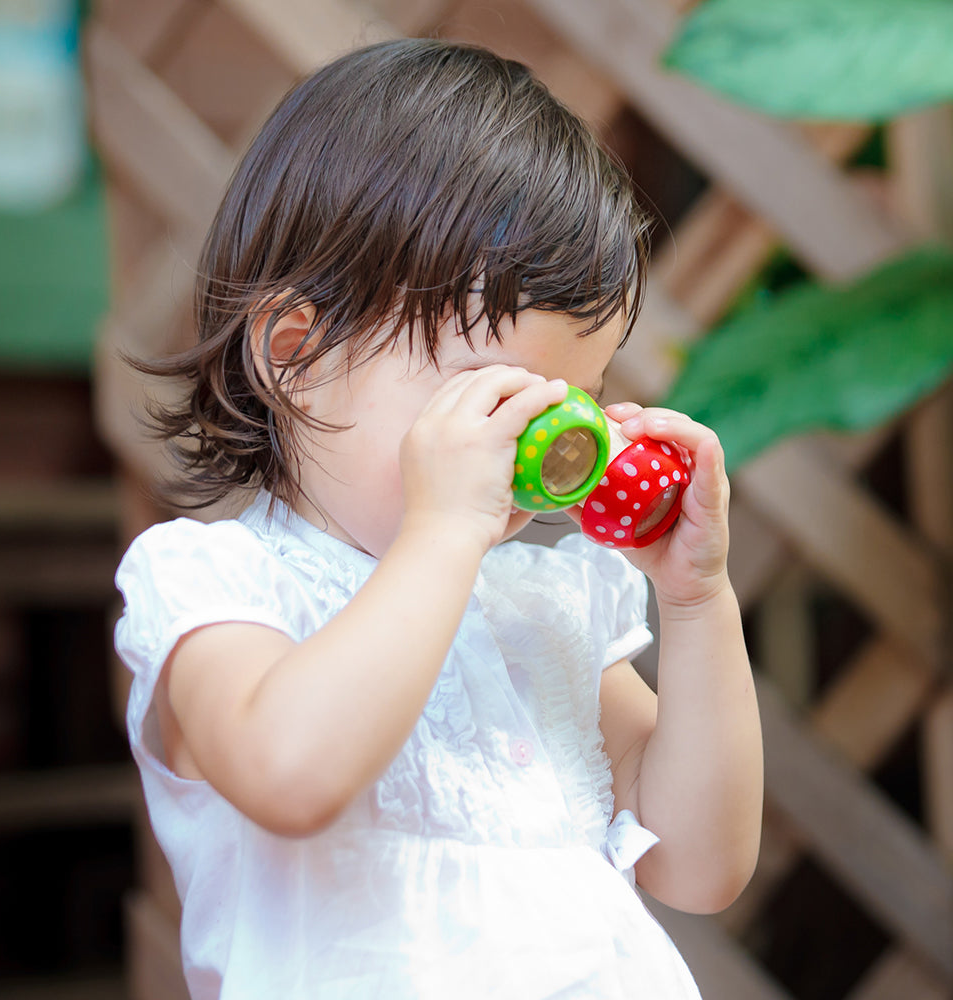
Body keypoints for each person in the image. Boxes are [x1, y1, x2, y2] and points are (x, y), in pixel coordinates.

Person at [114, 38, 763, 999]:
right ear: (296, 355)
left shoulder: (544, 615)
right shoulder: (219, 588)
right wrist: (444, 533)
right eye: (492, 396)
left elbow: (700, 867)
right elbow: (290, 775)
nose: (534, 449)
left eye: (572, 401)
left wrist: (699, 601)